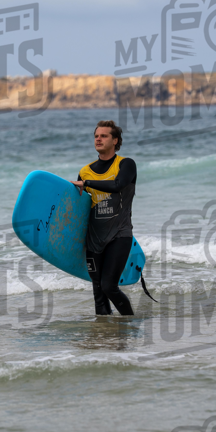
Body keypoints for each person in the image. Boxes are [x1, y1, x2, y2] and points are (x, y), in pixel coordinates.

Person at [72, 120, 137, 316]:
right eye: (96, 136)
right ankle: (104, 337)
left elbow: (118, 185)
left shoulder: (126, 164)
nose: (98, 139)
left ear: (115, 140)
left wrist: (88, 183)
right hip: (93, 240)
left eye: (104, 135)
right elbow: (79, 209)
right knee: (98, 292)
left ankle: (130, 324)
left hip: (119, 235)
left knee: (109, 286)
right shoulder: (85, 170)